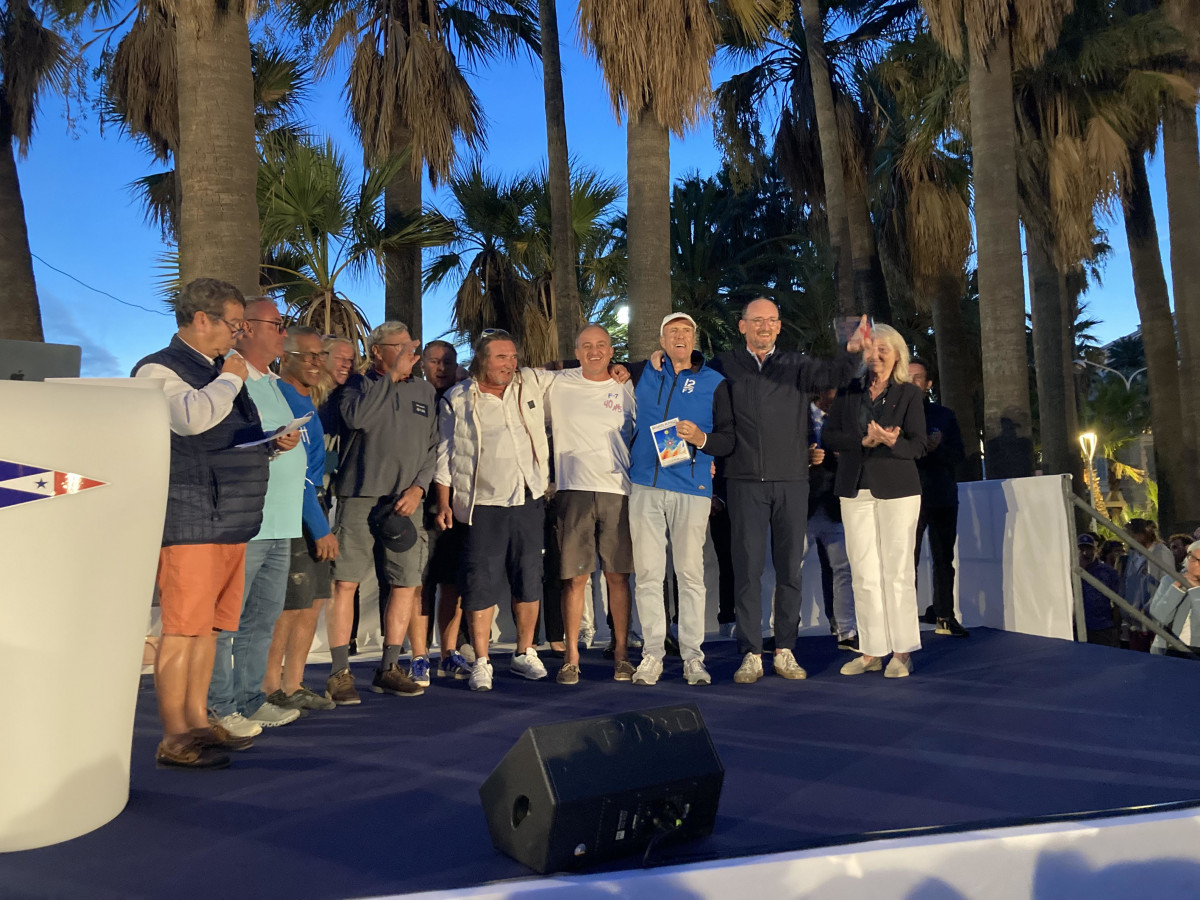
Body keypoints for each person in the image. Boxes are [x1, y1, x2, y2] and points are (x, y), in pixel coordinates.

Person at [132, 277, 271, 769]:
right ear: (201, 319)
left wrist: (269, 443)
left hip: (229, 517)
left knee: (209, 630)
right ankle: (174, 735)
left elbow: (226, 432)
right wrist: (231, 377)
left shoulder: (215, 369)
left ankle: (196, 720)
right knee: (182, 630)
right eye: (233, 324)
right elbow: (191, 420)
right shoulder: (158, 368)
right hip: (191, 516)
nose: (237, 334)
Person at [709, 299, 867, 684]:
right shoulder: (723, 365)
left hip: (793, 481)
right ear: (742, 326)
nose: (764, 326)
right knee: (747, 571)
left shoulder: (797, 364)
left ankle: (785, 650)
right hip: (743, 481)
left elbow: (837, 373)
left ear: (779, 327)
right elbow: (687, 375)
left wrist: (853, 349)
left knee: (789, 571)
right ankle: (751, 653)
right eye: (756, 320)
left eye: (771, 320)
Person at [434, 331, 555, 691]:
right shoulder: (458, 398)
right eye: (502, 357)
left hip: (528, 499)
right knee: (480, 584)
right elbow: (445, 454)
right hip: (481, 505)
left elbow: (575, 373)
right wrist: (444, 501)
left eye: (513, 357)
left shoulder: (529, 383)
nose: (510, 364)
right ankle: (482, 660)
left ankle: (524, 653)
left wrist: (621, 368)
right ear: (483, 360)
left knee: (528, 578)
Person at [208, 297, 306, 734]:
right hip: (246, 521)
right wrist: (270, 444)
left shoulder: (270, 380)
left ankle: (250, 701)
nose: (284, 333)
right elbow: (222, 439)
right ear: (246, 327)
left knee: (261, 620)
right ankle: (219, 706)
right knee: (226, 622)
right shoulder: (231, 375)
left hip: (281, 521)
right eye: (277, 324)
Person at [326, 321, 437, 702]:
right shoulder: (357, 386)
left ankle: (389, 667)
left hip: (405, 503)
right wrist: (390, 377)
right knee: (345, 583)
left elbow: (434, 447)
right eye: (401, 347)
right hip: (359, 495)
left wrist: (419, 488)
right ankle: (339, 672)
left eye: (412, 348)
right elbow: (357, 419)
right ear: (377, 350)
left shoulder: (424, 390)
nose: (410, 354)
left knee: (405, 584)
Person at [629, 313, 735, 686]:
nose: (680, 336)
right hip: (645, 485)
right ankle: (652, 655)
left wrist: (701, 439)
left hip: (692, 489)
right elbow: (597, 364)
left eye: (686, 331)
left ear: (694, 339)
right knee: (648, 575)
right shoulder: (643, 372)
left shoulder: (714, 382)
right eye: (673, 331)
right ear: (661, 340)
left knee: (690, 575)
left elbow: (728, 439)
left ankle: (693, 657)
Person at [822, 323, 928, 679]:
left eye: (884, 349)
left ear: (897, 355)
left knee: (897, 571)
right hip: (855, 488)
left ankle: (902, 652)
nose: (877, 355)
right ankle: (871, 651)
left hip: (899, 488)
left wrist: (893, 441)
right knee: (864, 572)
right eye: (872, 348)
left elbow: (919, 445)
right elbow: (829, 434)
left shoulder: (909, 394)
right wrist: (862, 442)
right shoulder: (849, 391)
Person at [547, 325, 638, 685]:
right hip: (574, 490)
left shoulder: (625, 386)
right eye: (587, 346)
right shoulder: (558, 383)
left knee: (618, 577)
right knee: (575, 579)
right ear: (576, 352)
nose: (594, 351)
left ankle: (621, 655)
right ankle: (571, 658)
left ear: (612, 350)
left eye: (601, 345)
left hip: (618, 490)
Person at [264, 326, 339, 712]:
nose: (315, 362)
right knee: (290, 605)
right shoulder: (281, 398)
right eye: (307, 355)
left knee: (314, 601)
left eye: (320, 355)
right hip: (294, 512)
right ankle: (269, 687)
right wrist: (320, 527)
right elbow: (299, 474)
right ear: (286, 357)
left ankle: (293, 683)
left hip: (315, 506)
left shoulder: (309, 401)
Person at [412, 340, 474, 681]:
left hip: (457, 501)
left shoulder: (464, 398)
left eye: (448, 362)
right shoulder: (413, 396)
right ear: (422, 364)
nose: (441, 367)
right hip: (421, 500)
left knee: (452, 582)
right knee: (420, 583)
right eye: (434, 361)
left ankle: (448, 653)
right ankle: (419, 655)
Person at [909, 359, 968, 638]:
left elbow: (959, 454)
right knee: (907, 561)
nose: (912, 382)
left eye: (918, 377)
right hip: (907, 497)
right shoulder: (894, 415)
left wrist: (937, 448)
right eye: (907, 377)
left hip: (942, 496)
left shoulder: (944, 416)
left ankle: (945, 615)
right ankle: (904, 620)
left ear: (928, 384)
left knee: (944, 559)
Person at [806, 388, 857, 650]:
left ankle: (845, 629)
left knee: (843, 569)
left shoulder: (846, 417)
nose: (838, 395)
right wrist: (804, 459)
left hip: (835, 504)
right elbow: (779, 452)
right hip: (801, 506)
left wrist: (846, 456)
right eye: (833, 389)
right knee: (788, 571)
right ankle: (783, 632)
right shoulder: (795, 415)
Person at [1123, 518, 1175, 652]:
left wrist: (1148, 608)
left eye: (1131, 534)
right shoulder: (1134, 555)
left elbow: (1167, 583)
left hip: (1154, 620)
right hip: (1135, 620)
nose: (1128, 538)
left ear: (1141, 534)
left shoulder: (1161, 552)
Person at [1149, 540, 1200, 654]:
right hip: (1168, 649)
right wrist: (1177, 587)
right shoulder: (1169, 580)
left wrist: (1196, 591)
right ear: (1190, 559)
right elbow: (1159, 616)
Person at [1078, 534, 1120, 646]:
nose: (1085, 553)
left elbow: (1118, 600)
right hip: (1078, 625)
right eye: (1081, 549)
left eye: (1089, 548)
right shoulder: (1071, 570)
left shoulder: (1108, 572)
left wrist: (1116, 626)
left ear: (1096, 550)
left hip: (1103, 626)